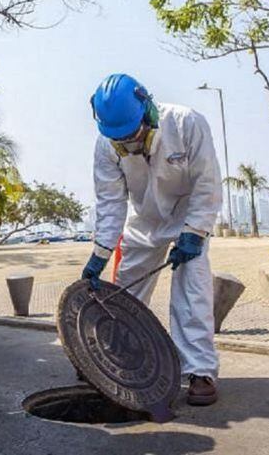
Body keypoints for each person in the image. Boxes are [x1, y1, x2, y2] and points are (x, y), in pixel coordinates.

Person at [82, 73, 223, 406]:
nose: (128, 145)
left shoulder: (187, 123)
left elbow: (208, 183)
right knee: (125, 292)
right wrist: (100, 253)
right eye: (120, 140)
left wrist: (194, 232)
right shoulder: (106, 146)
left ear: (148, 113)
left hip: (188, 217)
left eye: (132, 135)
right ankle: (116, 357)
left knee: (192, 290)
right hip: (143, 220)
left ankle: (200, 370)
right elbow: (111, 202)